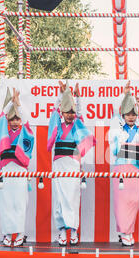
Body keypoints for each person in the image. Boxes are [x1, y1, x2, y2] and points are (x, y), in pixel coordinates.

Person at [47, 80, 96, 246]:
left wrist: (77, 96)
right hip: (59, 164)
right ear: (62, 111)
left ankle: (74, 231)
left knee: (73, 198)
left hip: (73, 164)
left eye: (72, 112)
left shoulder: (77, 125)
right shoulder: (57, 126)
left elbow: (81, 114)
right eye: (66, 111)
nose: (69, 115)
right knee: (59, 199)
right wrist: (61, 95)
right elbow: (53, 114)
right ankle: (61, 231)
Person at [108, 81, 139, 246]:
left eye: (134, 114)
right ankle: (124, 232)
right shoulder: (118, 128)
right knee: (121, 202)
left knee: (133, 201)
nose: (131, 117)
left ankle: (128, 231)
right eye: (128, 114)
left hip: (134, 168)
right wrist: (124, 95)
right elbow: (114, 114)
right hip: (121, 168)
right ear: (123, 115)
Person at [0, 87, 35, 247]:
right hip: (6, 170)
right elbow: (1, 118)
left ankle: (19, 233)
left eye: (17, 119)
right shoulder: (3, 130)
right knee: (6, 204)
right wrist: (9, 104)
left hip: (20, 171)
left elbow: (26, 120)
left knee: (20, 203)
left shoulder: (24, 131)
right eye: (11, 119)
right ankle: (7, 234)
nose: (14, 122)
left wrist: (18, 104)